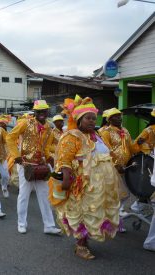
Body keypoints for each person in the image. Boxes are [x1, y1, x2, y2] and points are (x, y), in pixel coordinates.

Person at [54, 95, 120, 260]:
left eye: (93, 118)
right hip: (83, 185)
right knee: (84, 213)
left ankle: (85, 240)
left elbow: (106, 153)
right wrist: (67, 179)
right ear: (78, 120)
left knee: (96, 213)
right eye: (88, 118)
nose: (91, 121)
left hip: (100, 186)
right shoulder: (73, 136)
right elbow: (64, 159)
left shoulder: (96, 135)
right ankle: (80, 246)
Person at [6, 100, 61, 235]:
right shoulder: (25, 123)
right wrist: (16, 155)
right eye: (39, 111)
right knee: (24, 195)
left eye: (44, 111)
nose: (42, 114)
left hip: (41, 165)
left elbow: (46, 147)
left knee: (44, 196)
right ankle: (21, 223)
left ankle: (49, 225)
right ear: (34, 112)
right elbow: (10, 138)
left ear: (47, 112)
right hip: (26, 165)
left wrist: (49, 158)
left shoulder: (49, 127)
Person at [99, 108, 135, 232]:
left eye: (120, 116)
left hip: (126, 167)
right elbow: (105, 150)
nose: (119, 118)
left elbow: (131, 147)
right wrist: (115, 164)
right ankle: (112, 223)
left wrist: (140, 144)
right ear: (109, 119)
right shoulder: (105, 131)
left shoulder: (125, 130)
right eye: (116, 116)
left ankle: (113, 219)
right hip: (111, 169)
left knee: (125, 194)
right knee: (112, 196)